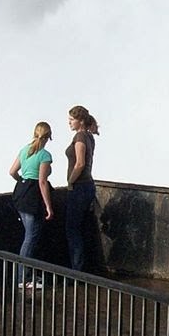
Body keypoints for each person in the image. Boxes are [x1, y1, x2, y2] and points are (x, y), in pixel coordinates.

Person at [8, 121, 54, 285]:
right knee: (30, 238)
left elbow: (12, 171)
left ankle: (25, 274)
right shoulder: (44, 155)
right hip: (34, 197)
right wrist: (49, 206)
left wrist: (22, 180)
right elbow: (42, 182)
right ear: (48, 137)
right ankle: (22, 278)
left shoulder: (24, 150)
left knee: (29, 235)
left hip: (21, 193)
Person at [64, 105, 99, 271]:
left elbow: (79, 163)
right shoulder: (89, 136)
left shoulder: (80, 137)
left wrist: (70, 182)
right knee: (81, 227)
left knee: (73, 229)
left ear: (81, 121)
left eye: (72, 120)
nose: (69, 123)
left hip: (79, 187)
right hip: (88, 186)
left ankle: (76, 270)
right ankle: (81, 267)